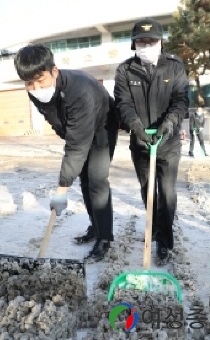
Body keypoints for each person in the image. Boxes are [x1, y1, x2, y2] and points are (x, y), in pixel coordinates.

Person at [14, 44, 118, 261]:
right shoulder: (36, 92)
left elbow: (77, 147)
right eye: (28, 83)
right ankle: (95, 227)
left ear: (54, 71)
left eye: (39, 80)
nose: (34, 87)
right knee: (84, 181)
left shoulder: (80, 90)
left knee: (97, 180)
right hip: (77, 130)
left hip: (102, 126)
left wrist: (61, 190)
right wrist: (68, 136)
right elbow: (55, 121)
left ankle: (105, 238)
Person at [114, 17, 189, 265]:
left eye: (151, 41)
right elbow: (123, 104)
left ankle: (164, 242)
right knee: (149, 192)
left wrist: (168, 125)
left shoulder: (175, 67)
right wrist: (137, 128)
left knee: (166, 193)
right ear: (134, 44)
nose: (146, 45)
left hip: (167, 144)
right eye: (141, 41)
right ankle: (154, 230)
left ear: (160, 42)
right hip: (140, 144)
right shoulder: (125, 70)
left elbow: (180, 101)